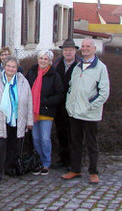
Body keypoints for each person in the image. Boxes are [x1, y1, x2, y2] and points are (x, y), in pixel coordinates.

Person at [61, 38, 110, 184]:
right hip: (75, 113)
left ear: (94, 49)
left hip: (90, 114)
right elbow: (71, 88)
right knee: (75, 142)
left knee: (92, 144)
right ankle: (75, 169)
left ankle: (93, 172)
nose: (85, 48)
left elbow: (104, 93)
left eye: (88, 46)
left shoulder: (101, 68)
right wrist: (70, 105)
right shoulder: (77, 67)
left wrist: (90, 106)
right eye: (83, 46)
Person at [0, 56, 33, 183]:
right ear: (4, 66)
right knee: (0, 146)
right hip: (0, 119)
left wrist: (29, 121)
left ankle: (10, 168)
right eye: (8, 66)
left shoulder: (23, 81)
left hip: (17, 119)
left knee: (14, 146)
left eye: (13, 67)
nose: (10, 69)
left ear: (17, 68)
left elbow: (29, 101)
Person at [26, 50, 63, 176]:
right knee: (35, 138)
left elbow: (59, 94)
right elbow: (26, 88)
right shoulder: (32, 72)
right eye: (41, 58)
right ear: (37, 59)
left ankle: (46, 163)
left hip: (47, 111)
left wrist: (46, 101)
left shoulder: (54, 75)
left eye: (45, 59)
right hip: (33, 111)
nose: (42, 61)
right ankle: (38, 162)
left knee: (45, 138)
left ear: (50, 61)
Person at [52, 39, 81, 170]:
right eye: (65, 50)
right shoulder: (57, 64)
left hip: (74, 105)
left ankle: (73, 162)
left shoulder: (80, 64)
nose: (68, 52)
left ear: (75, 51)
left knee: (73, 135)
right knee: (61, 133)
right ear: (62, 51)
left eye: (70, 50)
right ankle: (63, 159)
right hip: (59, 105)